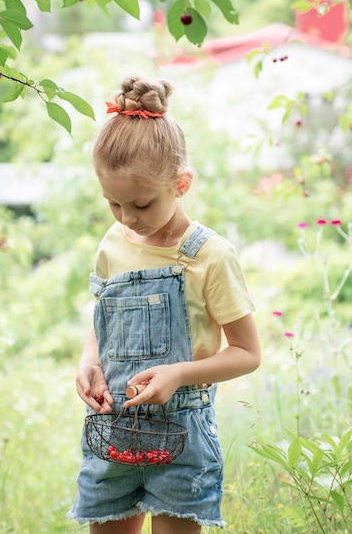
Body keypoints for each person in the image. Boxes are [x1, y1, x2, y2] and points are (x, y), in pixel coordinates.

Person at [67, 76, 261, 533]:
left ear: (181, 183)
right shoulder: (115, 241)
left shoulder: (210, 256)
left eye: (141, 204)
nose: (128, 219)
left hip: (182, 439)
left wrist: (178, 375)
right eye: (113, 204)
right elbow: (104, 314)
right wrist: (89, 359)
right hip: (113, 430)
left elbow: (247, 353)